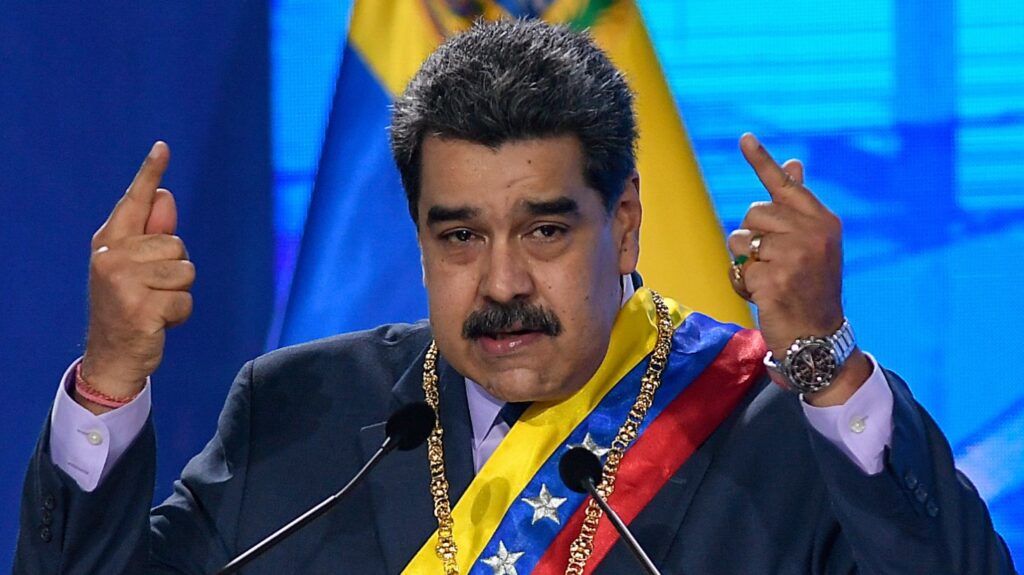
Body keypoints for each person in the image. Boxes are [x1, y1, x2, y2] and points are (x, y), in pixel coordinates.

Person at [15, 19, 1015, 575]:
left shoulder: (774, 429)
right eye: (460, 236)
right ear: (417, 237)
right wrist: (109, 378)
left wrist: (825, 362)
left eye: (544, 230)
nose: (500, 283)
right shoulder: (296, 413)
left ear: (625, 223)